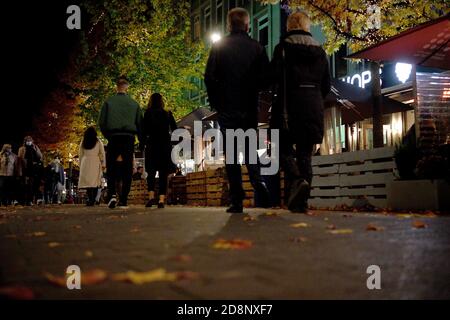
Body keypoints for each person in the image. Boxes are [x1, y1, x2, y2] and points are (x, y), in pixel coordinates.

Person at [204, 7, 271, 213]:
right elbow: (266, 78)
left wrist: (217, 101)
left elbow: (209, 76)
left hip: (228, 107)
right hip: (249, 106)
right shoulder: (257, 47)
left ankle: (237, 199)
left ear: (229, 24)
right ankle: (258, 182)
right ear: (247, 24)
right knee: (250, 148)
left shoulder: (219, 46)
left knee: (232, 155)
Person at [269, 12, 331, 213]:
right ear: (307, 26)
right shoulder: (320, 51)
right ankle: (301, 202)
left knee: (281, 150)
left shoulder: (283, 48)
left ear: (289, 26)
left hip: (287, 106)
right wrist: (313, 98)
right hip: (312, 106)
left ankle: (297, 181)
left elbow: (273, 77)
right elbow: (326, 85)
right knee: (305, 156)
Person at [98, 77, 143, 209]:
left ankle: (112, 194)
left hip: (113, 137)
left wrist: (108, 136)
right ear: (127, 86)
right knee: (127, 168)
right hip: (128, 138)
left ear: (116, 86)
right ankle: (123, 199)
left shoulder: (108, 102)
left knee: (111, 167)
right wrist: (140, 140)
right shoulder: (134, 104)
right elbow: (140, 124)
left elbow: (102, 122)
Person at [142, 93, 177, 208]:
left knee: (151, 173)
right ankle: (161, 200)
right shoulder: (167, 114)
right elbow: (175, 130)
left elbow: (143, 131)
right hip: (165, 146)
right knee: (163, 173)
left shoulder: (147, 114)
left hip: (152, 145)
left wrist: (142, 143)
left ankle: (151, 197)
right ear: (162, 101)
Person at [78, 127, 106, 206]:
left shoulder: (84, 141)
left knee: (88, 182)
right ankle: (93, 199)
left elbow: (80, 153)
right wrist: (103, 164)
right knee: (95, 182)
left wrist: (81, 164)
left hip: (85, 161)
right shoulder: (98, 141)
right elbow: (102, 153)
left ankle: (90, 199)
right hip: (95, 161)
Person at [17, 136, 43, 206]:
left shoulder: (35, 147)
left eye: (30, 140)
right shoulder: (22, 149)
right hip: (25, 169)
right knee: (25, 185)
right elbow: (19, 160)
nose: (29, 142)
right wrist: (19, 170)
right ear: (25, 141)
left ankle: (30, 200)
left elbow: (40, 156)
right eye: (27, 140)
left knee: (32, 185)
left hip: (33, 169)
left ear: (32, 141)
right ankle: (24, 200)